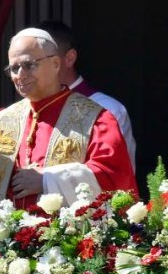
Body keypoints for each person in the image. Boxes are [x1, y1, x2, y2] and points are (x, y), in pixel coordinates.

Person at [0, 26, 138, 210]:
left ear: (56, 63)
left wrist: (47, 180)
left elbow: (113, 176)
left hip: (65, 244)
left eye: (29, 65)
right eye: (14, 68)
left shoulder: (96, 118)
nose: (20, 75)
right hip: (1, 242)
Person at [39, 19, 137, 171]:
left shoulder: (106, 109)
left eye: (36, 61)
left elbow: (117, 176)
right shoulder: (21, 113)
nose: (26, 72)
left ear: (69, 58)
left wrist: (46, 179)